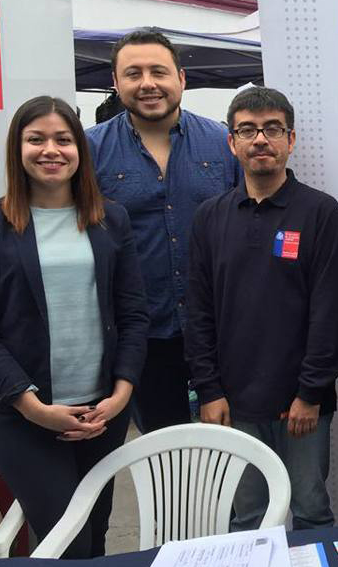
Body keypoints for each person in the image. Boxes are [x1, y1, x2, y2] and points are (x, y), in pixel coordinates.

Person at [185, 87, 338, 529]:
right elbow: (198, 312)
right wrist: (210, 391)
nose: (261, 139)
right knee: (248, 517)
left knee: (311, 511)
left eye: (272, 129)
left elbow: (330, 312)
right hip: (234, 404)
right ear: (231, 142)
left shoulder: (320, 212)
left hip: (302, 404)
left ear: (290, 140)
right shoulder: (210, 217)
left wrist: (310, 393)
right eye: (248, 130)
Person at [0, 96, 148, 558]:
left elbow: (133, 312)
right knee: (66, 543)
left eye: (64, 139)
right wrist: (33, 406)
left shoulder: (109, 218)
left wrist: (121, 394)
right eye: (36, 139)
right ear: (17, 149)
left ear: (80, 149)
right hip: (25, 416)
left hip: (101, 411)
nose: (51, 150)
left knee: (96, 534)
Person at [87, 29, 241, 433]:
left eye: (158, 71)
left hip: (221, 332)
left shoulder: (225, 144)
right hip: (143, 339)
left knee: (232, 459)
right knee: (164, 462)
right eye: (133, 74)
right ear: (117, 84)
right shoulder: (90, 152)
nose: (148, 83)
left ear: (182, 79)